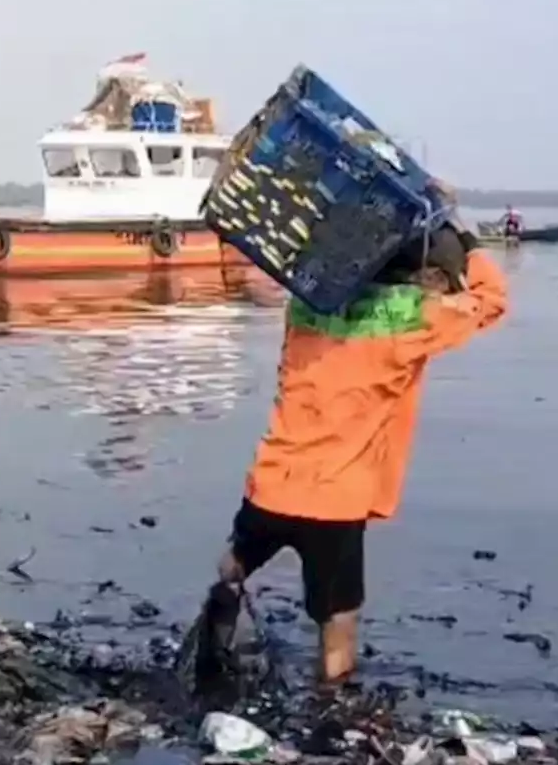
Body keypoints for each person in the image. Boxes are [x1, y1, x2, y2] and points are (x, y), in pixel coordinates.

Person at [191, 181, 508, 693]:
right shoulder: (412, 321)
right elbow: (492, 301)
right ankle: (333, 711)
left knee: (233, 565)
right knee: (337, 628)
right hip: (335, 504)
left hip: (273, 484)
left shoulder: (305, 308)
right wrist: (460, 230)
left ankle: (216, 634)